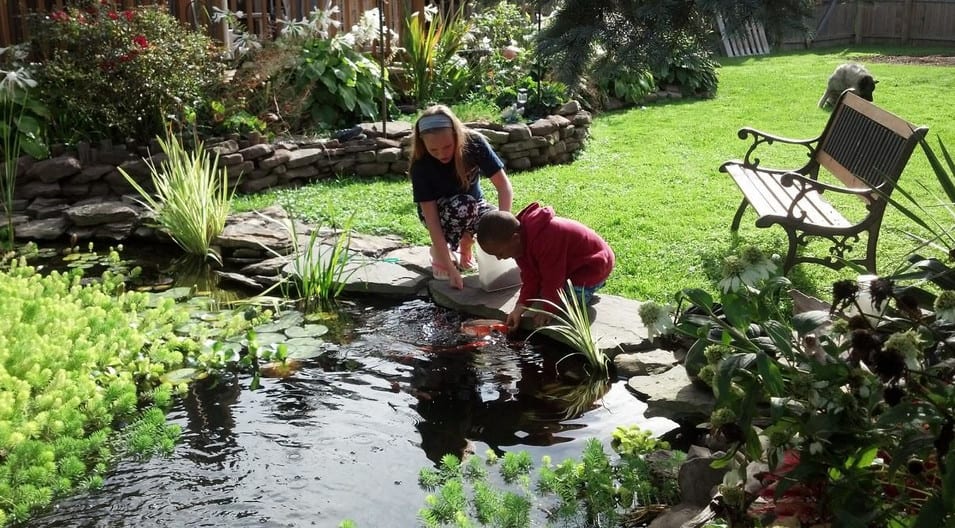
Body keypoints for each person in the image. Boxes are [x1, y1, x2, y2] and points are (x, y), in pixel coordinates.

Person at [410, 105, 513, 290]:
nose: (442, 154)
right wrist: (450, 268)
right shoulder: (420, 165)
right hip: (442, 213)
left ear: (457, 135)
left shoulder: (474, 143)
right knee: (464, 205)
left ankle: (466, 242)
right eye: (434, 150)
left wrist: (502, 227)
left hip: (473, 205)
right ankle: (441, 252)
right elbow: (432, 220)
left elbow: (503, 186)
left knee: (491, 220)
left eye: (447, 146)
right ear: (423, 143)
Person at [476, 202, 615, 331]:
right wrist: (520, 307)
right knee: (542, 293)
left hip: (593, 265)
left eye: (499, 253)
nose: (499, 258)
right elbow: (530, 277)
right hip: (569, 265)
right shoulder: (519, 245)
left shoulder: (546, 239)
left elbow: (553, 278)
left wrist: (548, 309)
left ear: (515, 239)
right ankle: (583, 290)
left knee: (566, 305)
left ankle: (589, 290)